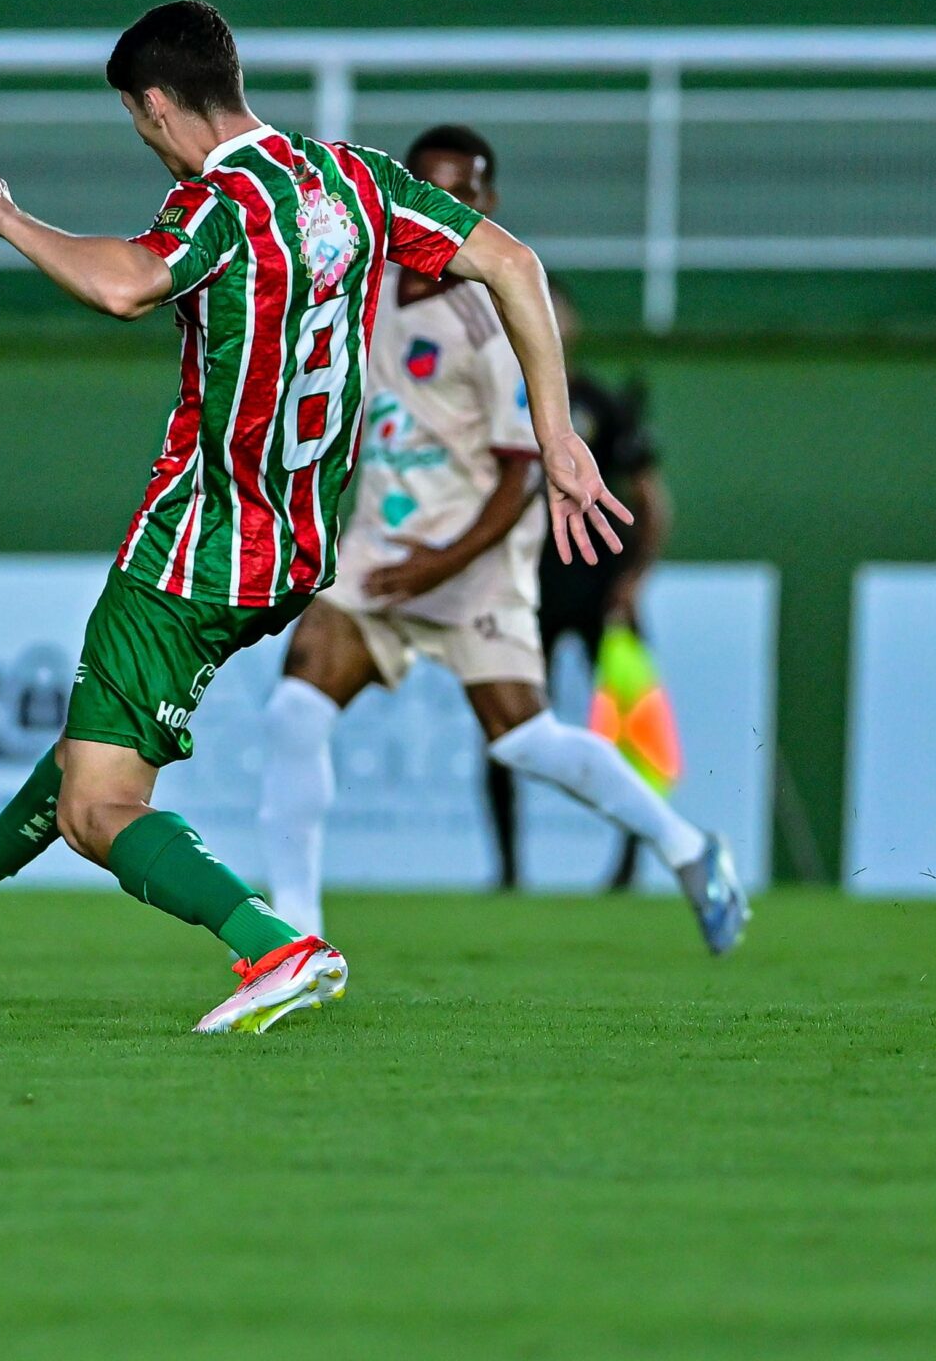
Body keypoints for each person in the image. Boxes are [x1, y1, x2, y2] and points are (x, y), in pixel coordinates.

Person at [0, 0, 672, 1037]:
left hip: (194, 543)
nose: (145, 141)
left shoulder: (224, 203)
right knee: (105, 737)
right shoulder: (354, 179)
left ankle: (274, 944)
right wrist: (558, 433)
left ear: (158, 103)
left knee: (96, 808)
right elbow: (515, 265)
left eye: (137, 120)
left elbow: (125, 285)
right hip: (300, 549)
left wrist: (8, 215)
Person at [254, 127, 739, 952]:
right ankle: (296, 944)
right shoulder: (366, 286)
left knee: (525, 740)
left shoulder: (499, 319)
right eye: (430, 189)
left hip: (474, 562)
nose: (446, 208)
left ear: (488, 205)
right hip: (380, 552)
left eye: (464, 195)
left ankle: (688, 850)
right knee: (296, 709)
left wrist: (442, 563)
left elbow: (521, 480)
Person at [483, 277, 671, 892]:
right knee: (507, 729)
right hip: (526, 590)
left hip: (600, 593)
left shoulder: (598, 403)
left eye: (559, 310)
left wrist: (634, 580)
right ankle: (509, 870)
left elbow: (651, 499)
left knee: (625, 727)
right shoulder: (498, 398)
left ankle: (629, 864)